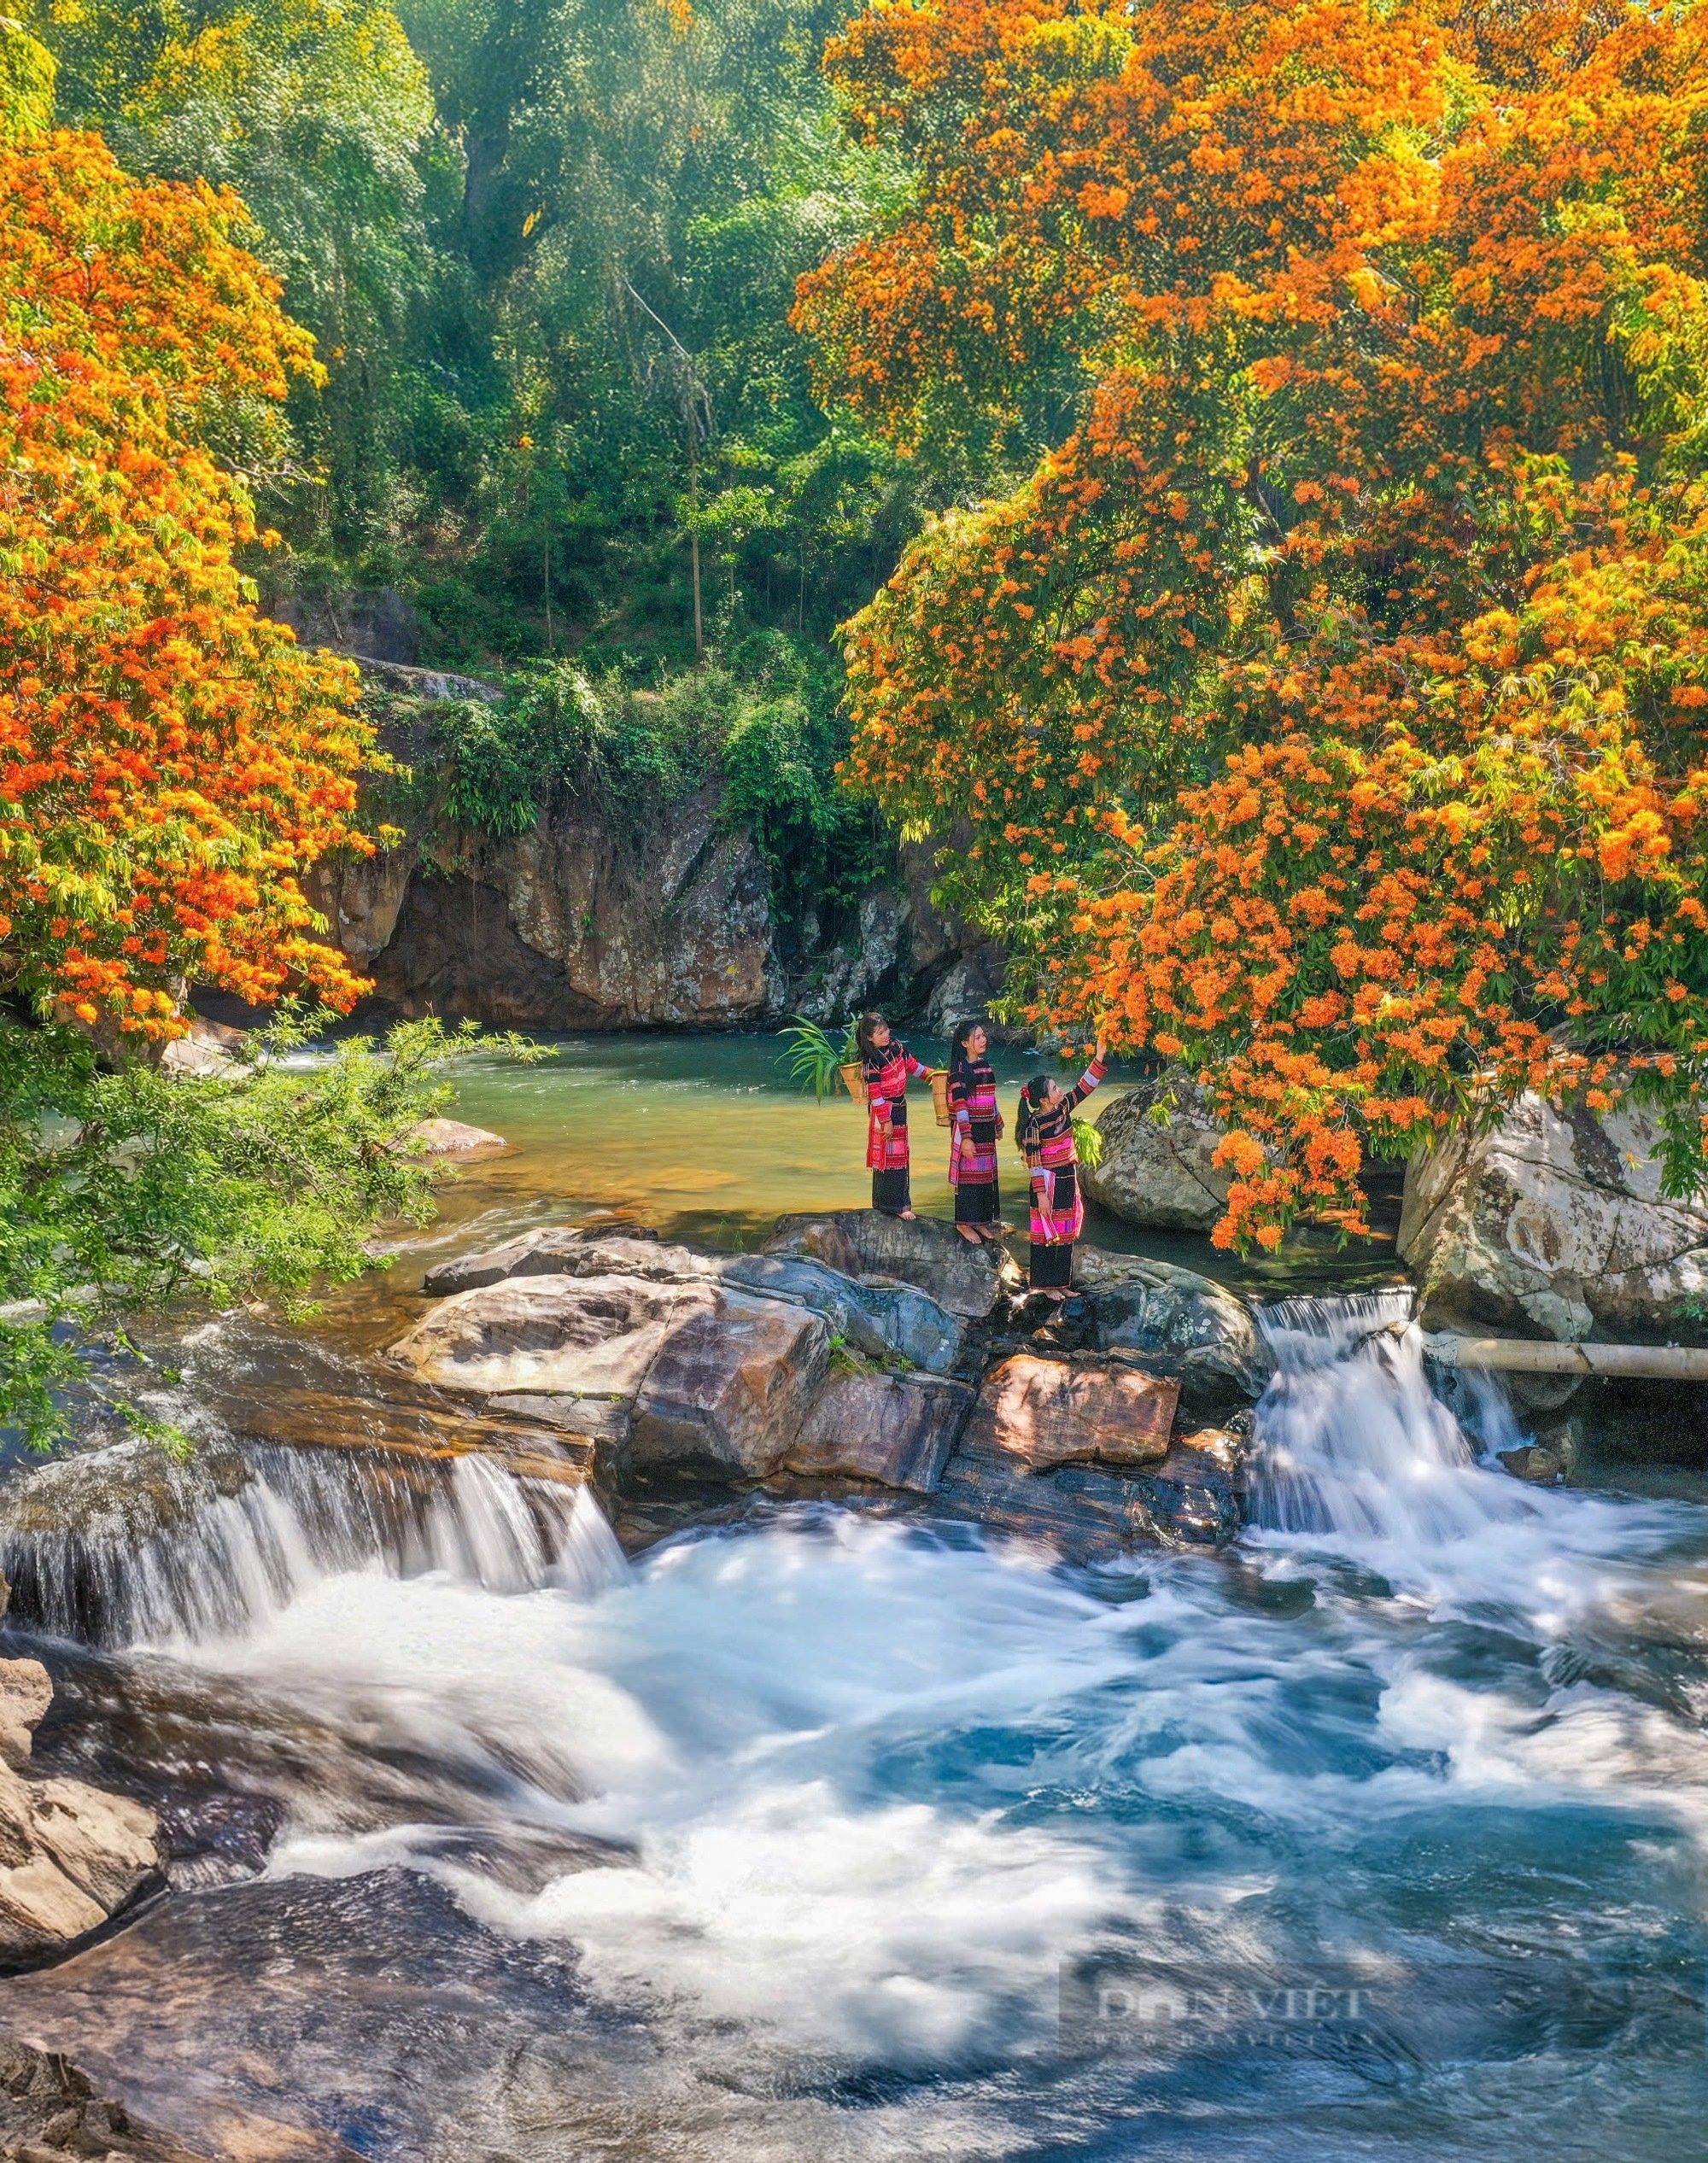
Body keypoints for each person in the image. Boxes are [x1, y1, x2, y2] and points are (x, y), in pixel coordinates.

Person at [1015, 1042, 1107, 1298]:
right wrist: (1041, 1195)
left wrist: (1099, 1057)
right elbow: (1034, 1163)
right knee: (1047, 1234)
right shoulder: (1034, 1125)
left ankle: (1062, 1283)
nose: (1060, 1090)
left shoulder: (1063, 1108)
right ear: (1043, 1100)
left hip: (1067, 1177)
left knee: (1065, 1232)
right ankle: (1046, 1286)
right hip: (1047, 1183)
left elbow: (1085, 1087)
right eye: (1055, 1089)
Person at [857, 1011, 930, 1219]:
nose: (886, 1034)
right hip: (886, 1111)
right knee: (888, 1159)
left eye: (886, 1030)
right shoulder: (871, 1060)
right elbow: (876, 1094)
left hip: (900, 1107)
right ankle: (892, 1206)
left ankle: (899, 1203)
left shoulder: (897, 1047)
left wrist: (933, 1076)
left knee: (901, 1157)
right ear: (870, 1038)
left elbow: (914, 1067)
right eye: (880, 1033)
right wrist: (886, 1121)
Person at [947, 1018, 1006, 1244]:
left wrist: (998, 1124)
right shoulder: (959, 1071)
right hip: (969, 1129)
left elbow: (991, 1099)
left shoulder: (985, 1066)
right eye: (977, 1037)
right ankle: (963, 1222)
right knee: (969, 1178)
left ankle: (980, 1220)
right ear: (964, 1043)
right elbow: (960, 1106)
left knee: (985, 1176)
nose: (983, 1040)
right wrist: (967, 1138)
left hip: (986, 1129)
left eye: (983, 1036)